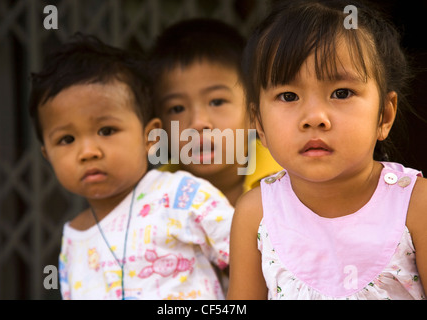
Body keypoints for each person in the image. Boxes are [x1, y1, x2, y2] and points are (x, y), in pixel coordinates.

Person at [227, 0, 426, 300]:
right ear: (259, 124)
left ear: (384, 115)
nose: (314, 118)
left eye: (341, 93)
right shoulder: (255, 214)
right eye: (289, 95)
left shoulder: (416, 205)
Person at [28, 33, 234, 300]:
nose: (88, 152)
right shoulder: (74, 238)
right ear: (47, 154)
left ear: (149, 137)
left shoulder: (182, 196)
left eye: (107, 130)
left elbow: (256, 260)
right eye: (67, 139)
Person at [148, 18, 283, 206]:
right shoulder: (151, 197)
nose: (198, 122)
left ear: (255, 114)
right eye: (177, 108)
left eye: (217, 102)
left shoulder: (288, 178)